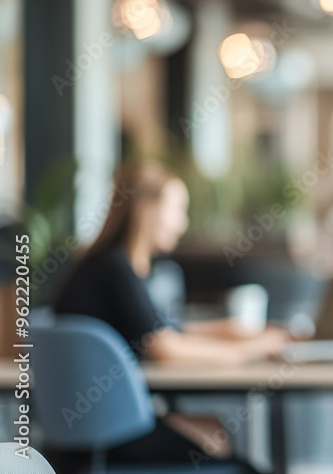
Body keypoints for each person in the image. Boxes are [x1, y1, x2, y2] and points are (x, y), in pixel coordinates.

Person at [52, 162, 288, 473]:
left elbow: (168, 329)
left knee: (216, 433)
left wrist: (241, 332)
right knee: (240, 464)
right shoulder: (113, 270)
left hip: (87, 434)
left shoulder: (111, 266)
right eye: (177, 209)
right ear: (147, 209)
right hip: (107, 438)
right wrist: (250, 351)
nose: (182, 223)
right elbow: (164, 347)